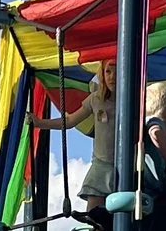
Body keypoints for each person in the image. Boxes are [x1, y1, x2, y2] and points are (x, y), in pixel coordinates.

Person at [27, 61, 118, 210]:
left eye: (117, 72)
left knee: (124, 213)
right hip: (102, 164)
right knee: (95, 216)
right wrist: (40, 123)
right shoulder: (96, 99)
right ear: (102, 75)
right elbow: (70, 120)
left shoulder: (135, 99)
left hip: (127, 165)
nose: (112, 77)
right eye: (108, 72)